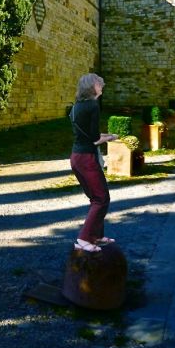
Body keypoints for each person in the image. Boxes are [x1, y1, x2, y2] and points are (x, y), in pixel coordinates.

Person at [69, 73, 118, 253]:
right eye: (99, 84)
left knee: (95, 199)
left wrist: (107, 136)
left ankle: (96, 236)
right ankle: (83, 239)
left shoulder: (76, 108)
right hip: (87, 159)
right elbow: (95, 138)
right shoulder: (93, 106)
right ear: (91, 87)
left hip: (76, 157)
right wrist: (110, 137)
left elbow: (88, 136)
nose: (102, 86)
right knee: (101, 199)